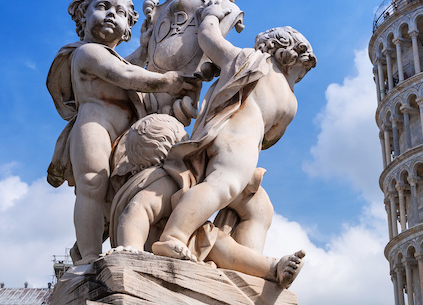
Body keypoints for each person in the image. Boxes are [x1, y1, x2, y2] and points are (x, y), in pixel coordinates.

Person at [152, 0, 316, 265]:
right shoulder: (282, 93)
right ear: (289, 56)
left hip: (232, 142)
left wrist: (213, 15)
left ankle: (244, 268)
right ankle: (174, 235)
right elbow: (271, 138)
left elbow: (209, 38)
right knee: (221, 186)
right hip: (239, 145)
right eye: (301, 72)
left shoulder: (246, 61)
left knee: (259, 209)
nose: (300, 78)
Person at [46, 0, 195, 264]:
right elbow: (126, 75)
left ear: (128, 27)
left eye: (121, 13)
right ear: (82, 14)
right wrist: (168, 81)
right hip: (95, 126)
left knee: (115, 191)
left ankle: (117, 236)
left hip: (124, 132)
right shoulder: (87, 53)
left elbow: (132, 61)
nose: (112, 15)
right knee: (92, 184)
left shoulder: (116, 56)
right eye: (103, 7)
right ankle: (88, 257)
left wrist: (148, 44)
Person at [109, 113, 304, 288]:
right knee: (218, 242)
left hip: (185, 246)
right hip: (168, 249)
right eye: (186, 140)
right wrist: (131, 248)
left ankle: (272, 268)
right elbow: (137, 209)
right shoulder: (163, 180)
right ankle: (272, 268)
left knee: (218, 238)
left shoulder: (173, 179)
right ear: (174, 147)